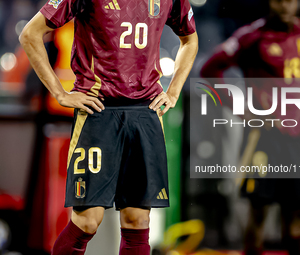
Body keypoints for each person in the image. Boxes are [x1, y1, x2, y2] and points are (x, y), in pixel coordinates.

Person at [19, 0, 198, 254]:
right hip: (98, 111)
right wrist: (60, 93)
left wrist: (174, 90)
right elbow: (30, 34)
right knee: (86, 222)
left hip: (145, 114)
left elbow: (190, 39)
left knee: (138, 221)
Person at [200, 0, 300, 254]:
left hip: (296, 137)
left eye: (292, 0)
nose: (286, 6)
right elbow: (209, 70)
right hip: (263, 137)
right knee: (258, 210)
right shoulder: (251, 36)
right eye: (280, 0)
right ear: (270, 2)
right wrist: (243, 110)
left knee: (296, 211)